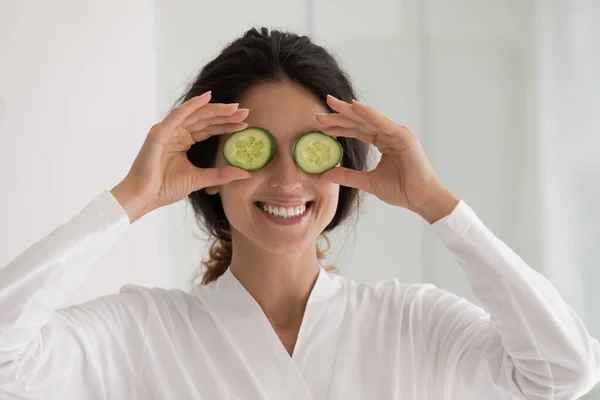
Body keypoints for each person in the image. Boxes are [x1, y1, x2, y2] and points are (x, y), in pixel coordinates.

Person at [1, 27, 599, 400]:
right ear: (208, 170)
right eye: (255, 149)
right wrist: (131, 196)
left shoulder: (413, 323)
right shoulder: (142, 333)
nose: (288, 179)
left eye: (313, 152)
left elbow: (565, 372)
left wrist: (438, 205)